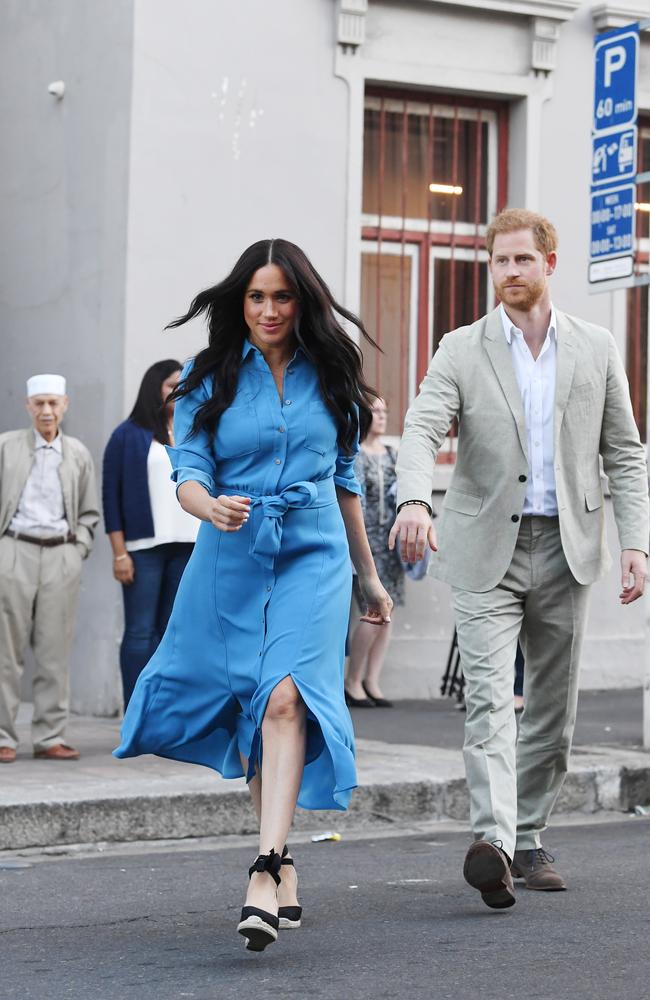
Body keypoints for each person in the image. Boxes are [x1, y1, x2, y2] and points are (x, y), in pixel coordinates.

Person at [114, 239, 392, 951]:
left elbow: (344, 481)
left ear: (304, 302)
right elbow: (189, 467)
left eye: (282, 296)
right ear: (240, 303)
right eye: (256, 297)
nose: (269, 310)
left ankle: (265, 868)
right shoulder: (209, 379)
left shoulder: (331, 375)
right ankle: (285, 855)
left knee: (286, 696)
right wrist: (206, 508)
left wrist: (369, 575)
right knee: (251, 701)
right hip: (230, 553)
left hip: (315, 552)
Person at [390, 208, 649, 909]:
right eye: (499, 262)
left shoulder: (595, 347)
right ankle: (495, 843)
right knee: (488, 703)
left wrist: (635, 542)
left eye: (521, 261)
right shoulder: (461, 348)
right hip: (484, 551)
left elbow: (623, 451)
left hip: (568, 551)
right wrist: (414, 500)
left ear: (548, 264)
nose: (509, 273)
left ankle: (529, 834)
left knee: (553, 711)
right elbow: (420, 429)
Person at [0, 374, 99, 763]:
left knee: (55, 651)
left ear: (64, 405)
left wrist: (79, 550)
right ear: (28, 406)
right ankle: (3, 737)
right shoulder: (6, 447)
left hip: (60, 554)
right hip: (14, 551)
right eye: (39, 403)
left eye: (52, 403)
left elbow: (89, 512)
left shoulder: (76, 453)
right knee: (6, 651)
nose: (46, 411)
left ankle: (50, 735)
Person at [102, 360, 199, 708]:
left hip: (188, 546)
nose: (178, 390)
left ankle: (161, 712)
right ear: (154, 388)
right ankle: (135, 710)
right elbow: (110, 498)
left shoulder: (193, 431)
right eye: (171, 384)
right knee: (141, 633)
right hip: (143, 548)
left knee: (172, 635)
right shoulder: (127, 435)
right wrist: (119, 552)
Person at [346, 397, 404, 708]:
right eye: (375, 411)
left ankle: (372, 680)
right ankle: (353, 681)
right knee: (371, 613)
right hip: (365, 543)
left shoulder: (393, 455)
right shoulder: (354, 454)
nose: (381, 417)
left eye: (384, 410)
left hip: (390, 545)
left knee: (388, 614)